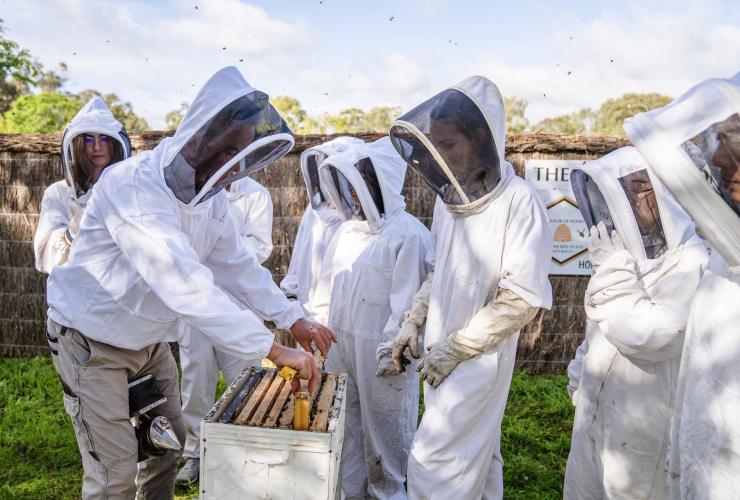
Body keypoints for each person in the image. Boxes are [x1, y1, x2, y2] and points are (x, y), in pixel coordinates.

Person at [43, 66, 334, 500]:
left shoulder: (211, 201)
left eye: (239, 153)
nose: (228, 164)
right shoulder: (133, 188)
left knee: (166, 447)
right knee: (115, 473)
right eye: (226, 150)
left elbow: (238, 267)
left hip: (147, 342)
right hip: (91, 343)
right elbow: (184, 284)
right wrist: (272, 350)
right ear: (199, 138)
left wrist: (293, 319)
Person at [388, 76, 552, 499]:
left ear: (481, 138)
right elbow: (439, 270)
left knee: (434, 464)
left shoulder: (520, 202)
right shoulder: (451, 202)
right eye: (435, 145)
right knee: (480, 458)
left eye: (449, 145)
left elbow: (522, 300)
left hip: (480, 359)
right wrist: (414, 319)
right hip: (443, 351)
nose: (441, 157)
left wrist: (457, 347)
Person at [563, 146, 710, 500]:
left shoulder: (694, 264)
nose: (634, 198)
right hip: (595, 419)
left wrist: (613, 270)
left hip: (647, 431)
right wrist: (580, 382)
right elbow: (596, 330)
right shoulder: (625, 258)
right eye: (627, 189)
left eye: (642, 186)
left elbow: (648, 334)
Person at [624, 73, 740, 500]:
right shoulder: (719, 267)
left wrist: (612, 288)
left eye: (734, 147)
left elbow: (648, 334)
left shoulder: (695, 261)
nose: (722, 165)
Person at [308, 137, 433, 499]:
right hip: (342, 349)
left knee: (386, 440)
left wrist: (390, 348)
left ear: (381, 184)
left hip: (385, 355)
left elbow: (408, 304)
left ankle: (389, 495)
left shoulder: (410, 235)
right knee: (345, 432)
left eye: (358, 185)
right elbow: (329, 289)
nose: (352, 195)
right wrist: (322, 334)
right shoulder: (346, 231)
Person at [176, 174, 274, 486]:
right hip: (198, 303)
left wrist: (218, 250)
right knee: (196, 381)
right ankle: (195, 455)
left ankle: (245, 455)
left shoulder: (255, 195)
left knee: (246, 380)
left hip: (239, 306)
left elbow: (259, 247)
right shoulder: (190, 193)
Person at [34, 96, 131, 273]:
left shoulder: (129, 193)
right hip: (71, 294)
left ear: (115, 144)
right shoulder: (57, 193)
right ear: (77, 144)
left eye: (104, 139)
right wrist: (74, 230)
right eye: (88, 139)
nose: (96, 147)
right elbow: (42, 255)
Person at [280, 136, 364, 315]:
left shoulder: (363, 217)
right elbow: (301, 252)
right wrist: (291, 293)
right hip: (306, 310)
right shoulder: (314, 209)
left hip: (342, 313)